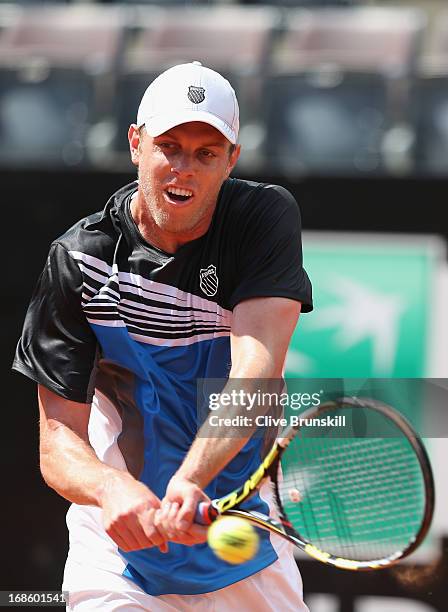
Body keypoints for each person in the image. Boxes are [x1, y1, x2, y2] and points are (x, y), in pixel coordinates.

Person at [12, 61, 313, 611]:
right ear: (135, 143)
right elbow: (57, 443)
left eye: (205, 154)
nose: (183, 170)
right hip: (116, 557)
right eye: (169, 147)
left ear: (231, 161)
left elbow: (256, 372)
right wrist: (110, 488)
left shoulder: (262, 220)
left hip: (245, 546)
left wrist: (189, 479)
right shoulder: (80, 260)